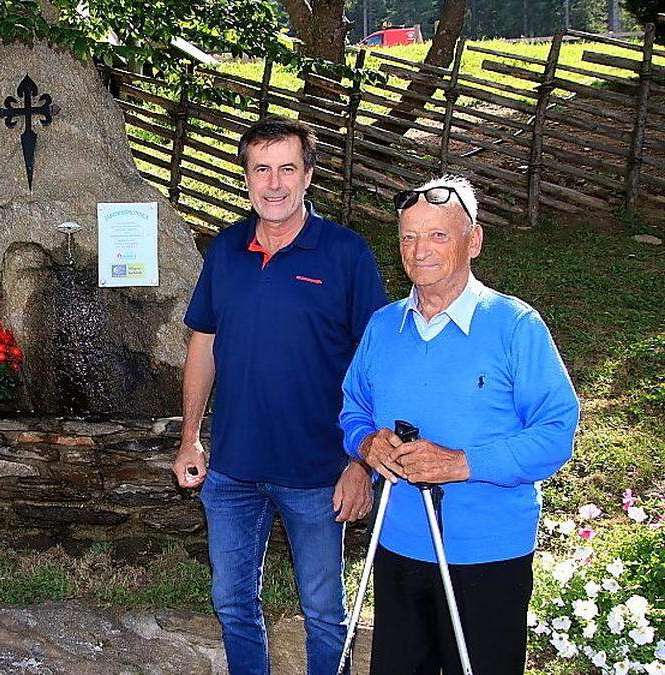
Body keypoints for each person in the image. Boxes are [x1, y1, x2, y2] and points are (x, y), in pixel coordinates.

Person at [171, 118, 389, 674]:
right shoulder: (224, 250)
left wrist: (361, 462)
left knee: (322, 611)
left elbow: (380, 364)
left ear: (308, 176)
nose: (273, 184)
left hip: (320, 471)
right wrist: (190, 438)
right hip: (233, 470)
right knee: (233, 604)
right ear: (245, 178)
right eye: (260, 169)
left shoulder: (345, 253)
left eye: (287, 168)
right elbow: (203, 343)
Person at [339, 175, 579, 674]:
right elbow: (353, 408)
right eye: (408, 236)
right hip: (399, 543)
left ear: (474, 240)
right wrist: (366, 444)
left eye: (437, 235)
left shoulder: (515, 326)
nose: (419, 250)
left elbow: (556, 431)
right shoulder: (384, 326)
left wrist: (463, 463)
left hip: (487, 553)